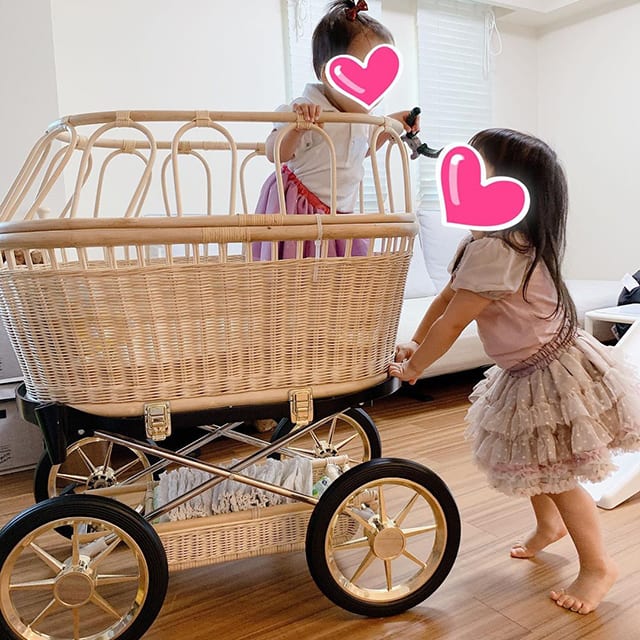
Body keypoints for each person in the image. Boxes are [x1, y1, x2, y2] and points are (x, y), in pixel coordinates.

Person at [389, 128, 640, 614]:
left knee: (559, 473)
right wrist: (415, 342)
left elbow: (455, 320)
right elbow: (445, 300)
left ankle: (598, 565)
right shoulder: (479, 241)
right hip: (525, 369)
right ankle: (549, 526)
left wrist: (416, 366)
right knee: (536, 459)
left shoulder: (501, 250)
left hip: (553, 371)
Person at [252, 0, 418, 261]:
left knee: (340, 272)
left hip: (339, 213)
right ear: (328, 75)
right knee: (298, 271)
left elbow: (364, 149)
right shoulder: (308, 110)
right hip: (300, 208)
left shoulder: (361, 119)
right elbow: (274, 152)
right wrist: (296, 129)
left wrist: (392, 124)